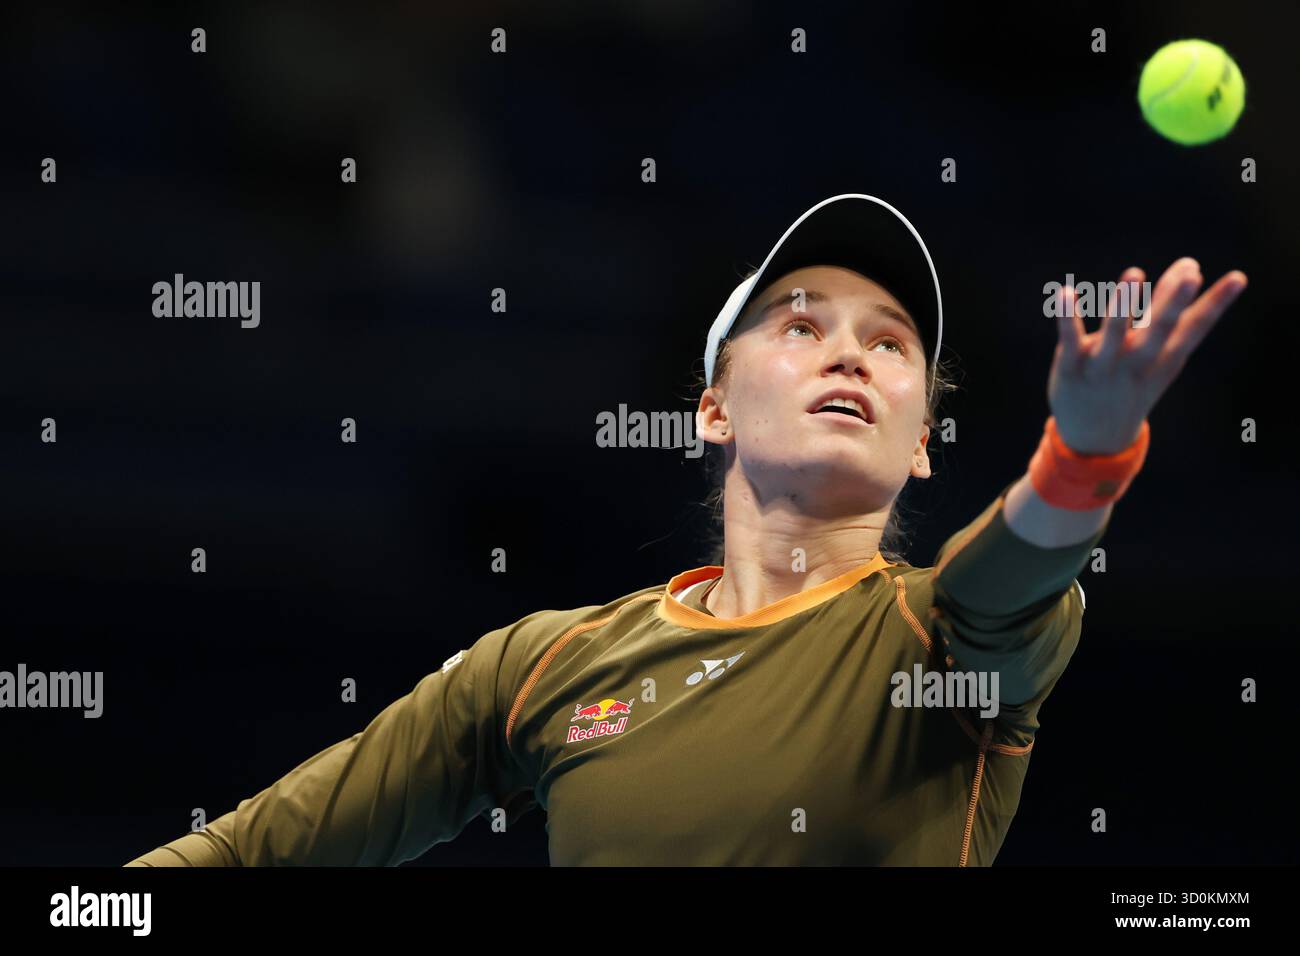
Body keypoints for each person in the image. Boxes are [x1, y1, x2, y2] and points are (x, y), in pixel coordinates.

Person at [125, 194, 1247, 866]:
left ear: (920, 444)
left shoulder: (938, 643)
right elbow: (249, 850)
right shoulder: (546, 663)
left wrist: (1085, 450)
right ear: (713, 404)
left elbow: (1014, 570)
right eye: (800, 323)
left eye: (892, 343)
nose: (850, 352)